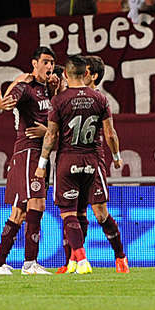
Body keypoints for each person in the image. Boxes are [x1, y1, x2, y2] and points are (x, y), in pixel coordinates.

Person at [33, 55, 120, 276]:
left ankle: (82, 259)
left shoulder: (60, 100)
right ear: (85, 73)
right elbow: (110, 133)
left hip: (69, 159)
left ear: (66, 73)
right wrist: (117, 156)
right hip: (92, 161)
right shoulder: (100, 99)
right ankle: (77, 260)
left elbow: (51, 135)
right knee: (83, 212)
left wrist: (42, 164)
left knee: (71, 213)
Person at [55, 55, 128, 274]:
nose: (82, 74)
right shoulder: (75, 97)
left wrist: (116, 156)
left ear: (93, 75)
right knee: (77, 213)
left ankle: (120, 257)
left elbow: (109, 132)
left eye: (86, 70)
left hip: (90, 159)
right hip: (82, 160)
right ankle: (72, 260)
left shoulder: (98, 99)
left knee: (99, 212)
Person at [0, 46, 58, 275]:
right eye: (45, 62)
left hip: (40, 153)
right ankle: (30, 264)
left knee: (18, 212)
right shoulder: (25, 87)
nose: (49, 66)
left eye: (52, 62)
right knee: (37, 204)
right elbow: (2, 105)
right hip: (28, 152)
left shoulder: (49, 90)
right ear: (34, 63)